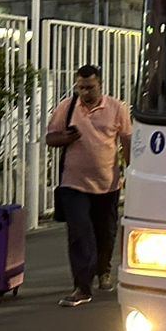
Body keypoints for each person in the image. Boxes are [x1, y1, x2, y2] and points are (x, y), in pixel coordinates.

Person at [47, 64, 132, 308]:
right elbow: (50, 137)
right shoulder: (68, 107)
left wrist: (130, 171)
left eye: (90, 87)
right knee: (79, 234)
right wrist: (66, 138)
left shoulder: (117, 108)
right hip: (74, 184)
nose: (85, 92)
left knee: (105, 232)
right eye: (81, 87)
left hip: (108, 184)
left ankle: (103, 270)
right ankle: (81, 286)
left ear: (100, 85)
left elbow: (126, 140)